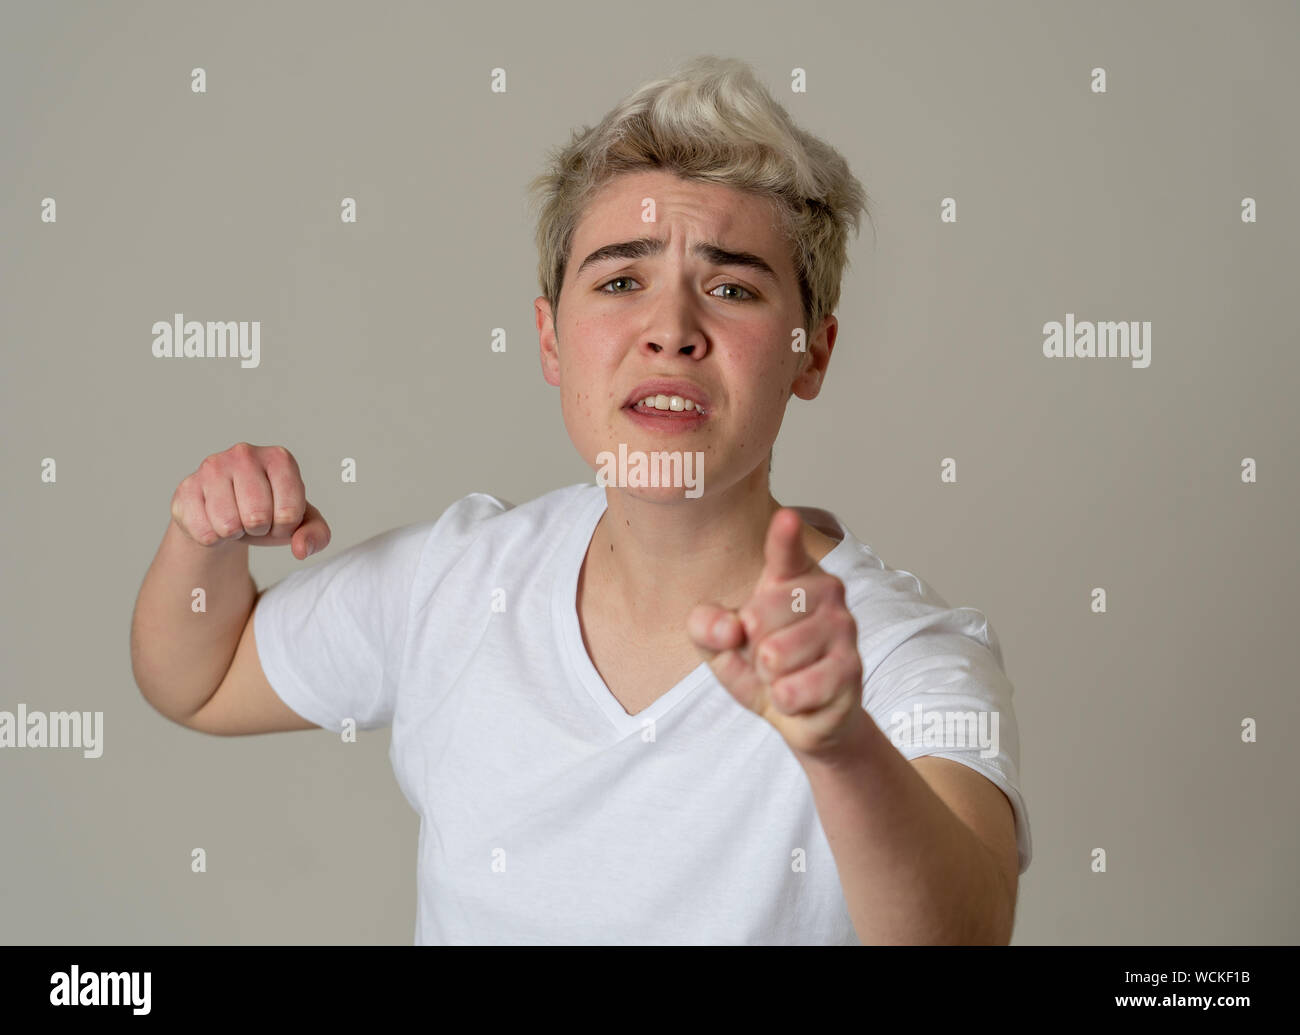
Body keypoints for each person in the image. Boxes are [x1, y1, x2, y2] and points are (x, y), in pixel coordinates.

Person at [131, 55, 1030, 945]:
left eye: (731, 288)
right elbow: (197, 679)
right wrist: (202, 535)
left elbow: (969, 933)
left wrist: (839, 745)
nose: (671, 331)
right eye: (619, 282)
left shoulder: (906, 656)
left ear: (812, 352)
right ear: (551, 340)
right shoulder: (455, 581)